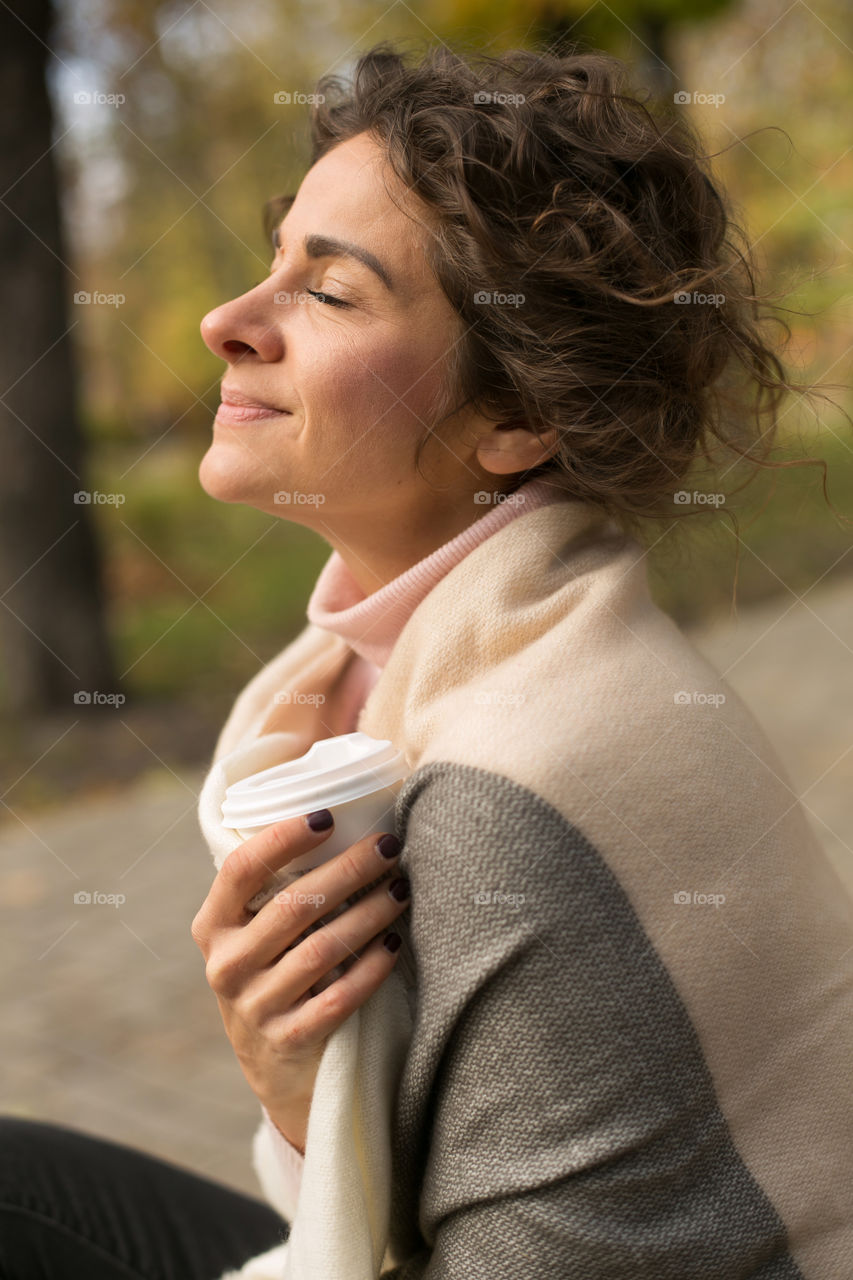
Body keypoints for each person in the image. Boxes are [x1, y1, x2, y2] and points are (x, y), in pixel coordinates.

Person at [4, 38, 852, 1280]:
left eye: (329, 292)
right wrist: (300, 1092)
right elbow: (386, 1199)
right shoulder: (354, 688)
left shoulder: (521, 777)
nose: (226, 320)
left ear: (516, 420)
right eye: (274, 260)